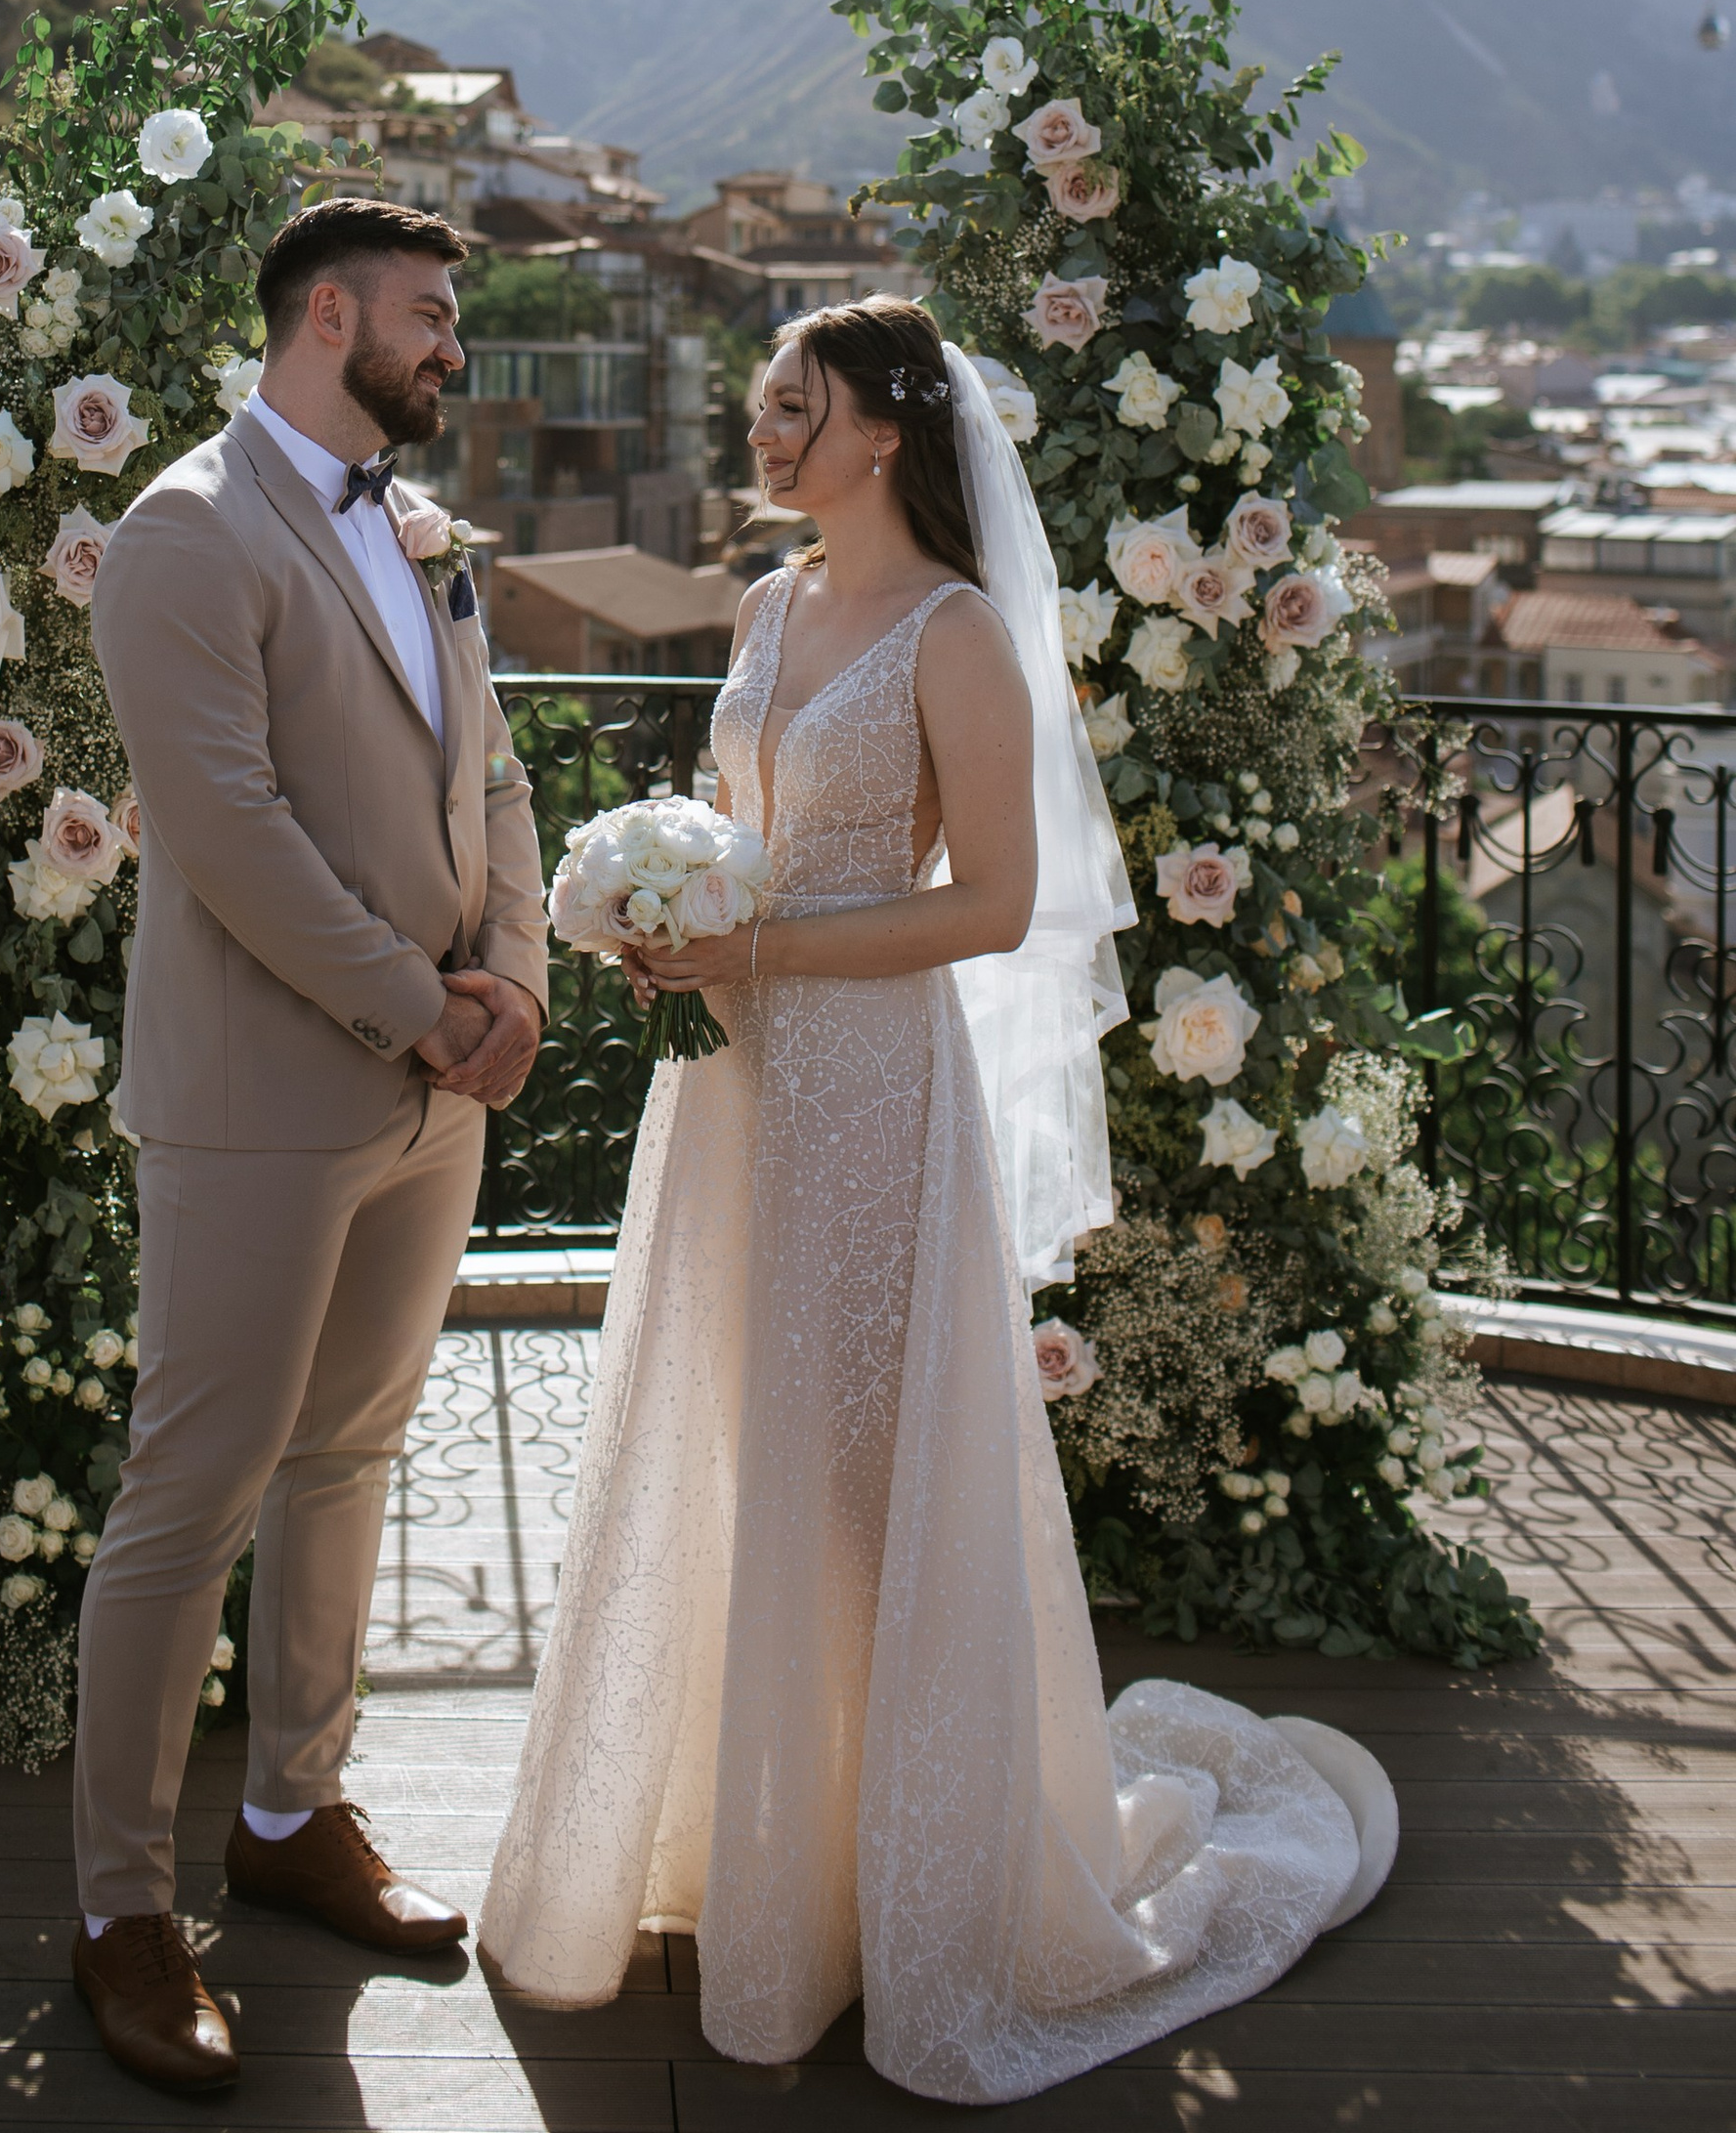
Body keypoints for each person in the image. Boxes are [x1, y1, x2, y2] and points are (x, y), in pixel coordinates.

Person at [476, 294, 1391, 2105]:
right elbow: (740, 818)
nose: (763, 431)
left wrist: (769, 939)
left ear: (884, 430)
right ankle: (765, 1866)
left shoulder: (959, 632)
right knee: (745, 1445)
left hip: (877, 1088)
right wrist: (667, 920)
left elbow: (993, 902)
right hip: (737, 1085)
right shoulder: (764, 607)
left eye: (791, 405)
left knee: (865, 1471)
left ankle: (907, 1892)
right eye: (758, 406)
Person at [74, 196, 549, 2095]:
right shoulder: (182, 534)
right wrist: (415, 1001)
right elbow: (225, 828)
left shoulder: (419, 532)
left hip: (432, 1092)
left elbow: (490, 771)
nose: (449, 351)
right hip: (261, 1103)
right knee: (187, 1499)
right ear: (324, 314)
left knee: (348, 1457)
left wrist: (509, 975)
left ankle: (289, 1817)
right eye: (429, 319)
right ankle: (121, 1912)